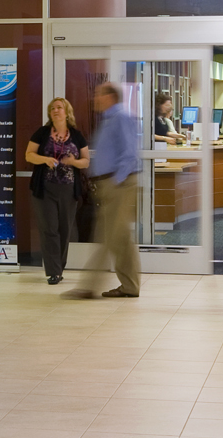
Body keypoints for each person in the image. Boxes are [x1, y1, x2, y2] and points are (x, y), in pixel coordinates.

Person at [67, 81, 140, 299]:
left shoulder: (121, 118)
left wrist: (116, 182)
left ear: (110, 97)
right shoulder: (108, 120)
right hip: (111, 185)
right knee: (121, 239)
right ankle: (130, 286)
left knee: (107, 236)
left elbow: (130, 154)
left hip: (120, 185)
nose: (94, 98)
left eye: (98, 94)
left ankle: (89, 286)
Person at [24, 97, 89, 286]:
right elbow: (28, 155)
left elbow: (85, 161)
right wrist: (44, 160)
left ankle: (59, 267)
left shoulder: (76, 135)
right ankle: (53, 271)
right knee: (49, 229)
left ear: (67, 112)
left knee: (64, 229)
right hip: (44, 188)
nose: (55, 111)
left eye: (59, 108)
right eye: (52, 108)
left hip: (68, 189)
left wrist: (73, 162)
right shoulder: (42, 133)